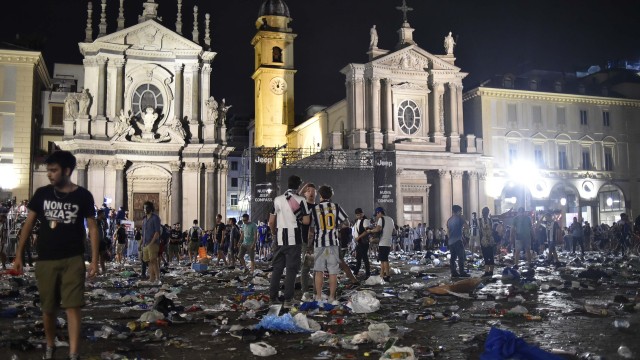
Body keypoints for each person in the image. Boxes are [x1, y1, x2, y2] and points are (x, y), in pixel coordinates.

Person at [14, 150, 99, 360]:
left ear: (67, 171)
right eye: (48, 170)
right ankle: (50, 345)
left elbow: (93, 228)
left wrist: (95, 260)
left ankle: (73, 354)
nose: (49, 175)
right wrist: (18, 256)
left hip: (73, 259)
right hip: (45, 260)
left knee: (73, 307)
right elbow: (28, 224)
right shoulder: (42, 194)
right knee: (48, 309)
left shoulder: (83, 196)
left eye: (53, 170)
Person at [268, 175, 310, 306]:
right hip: (294, 238)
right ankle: (288, 298)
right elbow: (306, 221)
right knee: (291, 270)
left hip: (280, 238)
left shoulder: (278, 199)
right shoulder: (301, 200)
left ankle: (273, 297)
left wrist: (274, 233)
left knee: (277, 269)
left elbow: (271, 222)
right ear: (298, 185)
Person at [309, 185, 348, 304]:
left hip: (319, 243)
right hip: (333, 243)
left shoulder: (315, 209)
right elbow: (346, 222)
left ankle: (319, 296)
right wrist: (337, 229)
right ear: (331, 195)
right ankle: (331, 297)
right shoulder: (336, 207)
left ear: (320, 195)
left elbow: (311, 228)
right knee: (333, 271)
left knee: (319, 271)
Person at [299, 183, 317, 293]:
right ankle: (305, 291)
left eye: (313, 191)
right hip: (305, 241)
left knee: (317, 268)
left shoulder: (318, 207)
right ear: (305, 193)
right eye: (309, 191)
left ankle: (316, 292)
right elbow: (293, 198)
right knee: (305, 267)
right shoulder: (302, 206)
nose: (311, 193)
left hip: (318, 242)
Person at [368, 207, 395, 282]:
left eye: (376, 214)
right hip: (389, 241)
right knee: (382, 259)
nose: (376, 216)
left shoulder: (381, 219)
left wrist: (370, 231)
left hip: (383, 242)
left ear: (379, 212)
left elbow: (377, 229)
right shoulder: (391, 219)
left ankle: (387, 275)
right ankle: (382, 274)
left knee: (385, 259)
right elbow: (393, 231)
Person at [141, 201, 162, 284]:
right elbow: (143, 233)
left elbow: (157, 232)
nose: (145, 209)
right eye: (144, 208)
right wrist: (141, 244)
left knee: (154, 260)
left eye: (147, 208)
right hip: (145, 243)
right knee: (149, 261)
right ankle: (151, 278)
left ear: (151, 208)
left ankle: (157, 278)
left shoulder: (155, 218)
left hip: (153, 243)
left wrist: (152, 242)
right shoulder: (145, 219)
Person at [447, 205, 470, 278]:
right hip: (457, 241)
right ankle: (462, 272)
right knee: (461, 257)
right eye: (460, 211)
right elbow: (466, 226)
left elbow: (448, 232)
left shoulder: (449, 220)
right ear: (458, 211)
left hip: (451, 241)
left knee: (453, 258)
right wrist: (464, 220)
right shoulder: (460, 218)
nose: (461, 213)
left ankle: (453, 272)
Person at [353, 208, 371, 280]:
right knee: (359, 259)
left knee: (364, 258)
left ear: (363, 213)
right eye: (357, 215)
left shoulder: (365, 221)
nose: (359, 216)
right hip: (359, 243)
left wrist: (358, 237)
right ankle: (355, 273)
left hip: (363, 242)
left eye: (360, 214)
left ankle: (367, 274)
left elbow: (367, 231)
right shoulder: (357, 221)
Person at [478, 207, 495, 277]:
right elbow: (492, 230)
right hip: (490, 240)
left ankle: (486, 271)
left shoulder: (479, 221)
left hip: (484, 240)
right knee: (491, 256)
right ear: (488, 212)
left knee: (485, 256)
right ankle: (491, 271)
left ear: (482, 212)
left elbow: (479, 232)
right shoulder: (490, 220)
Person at [96, 209, 110, 274]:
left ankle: (103, 270)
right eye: (103, 214)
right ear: (100, 214)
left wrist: (105, 220)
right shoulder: (96, 221)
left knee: (103, 256)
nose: (104, 215)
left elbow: (106, 228)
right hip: (97, 241)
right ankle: (97, 270)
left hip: (102, 241)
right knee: (97, 256)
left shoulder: (102, 221)